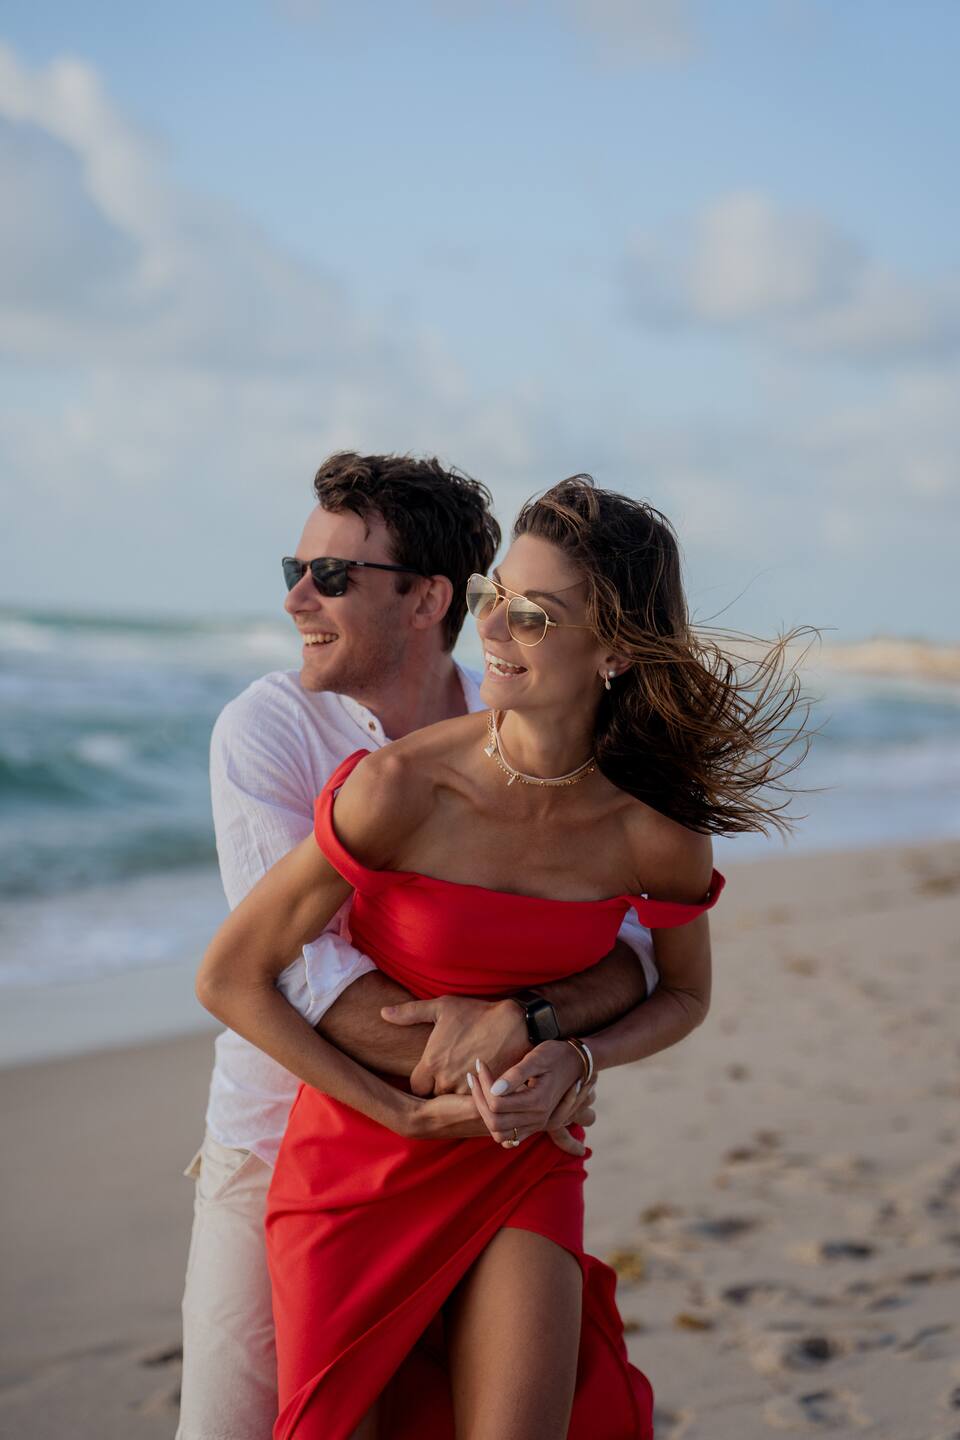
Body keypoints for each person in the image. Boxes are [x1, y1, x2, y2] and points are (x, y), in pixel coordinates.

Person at [197, 475, 812, 1439]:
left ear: (615, 646)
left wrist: (573, 1052)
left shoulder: (656, 830)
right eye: (494, 598)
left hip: (523, 1154)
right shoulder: (400, 785)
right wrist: (402, 1107)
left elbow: (680, 991)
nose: (496, 628)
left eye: (533, 613)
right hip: (356, 1163)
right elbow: (233, 976)